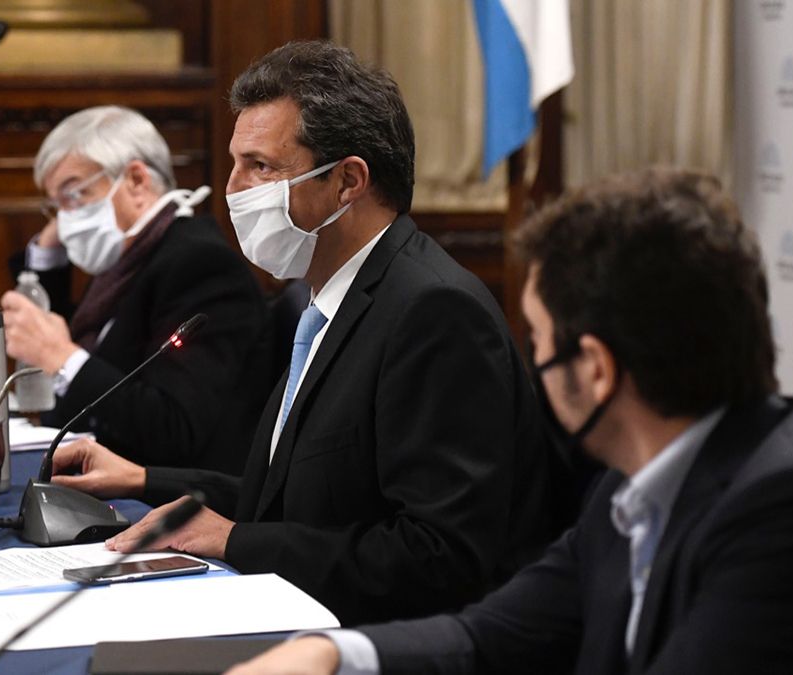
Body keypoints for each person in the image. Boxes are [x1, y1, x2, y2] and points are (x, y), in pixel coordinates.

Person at [229, 167, 793, 674]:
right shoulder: (631, 483)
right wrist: (333, 654)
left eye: (537, 339)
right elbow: (489, 635)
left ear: (595, 369)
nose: (532, 359)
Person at [48, 41, 554, 625]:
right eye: (236, 163)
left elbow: (439, 557)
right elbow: (297, 500)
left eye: (261, 166)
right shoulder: (325, 296)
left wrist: (237, 543)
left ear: (348, 181)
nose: (234, 188)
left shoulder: (433, 312)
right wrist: (143, 479)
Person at [2, 106, 272, 475]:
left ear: (136, 181)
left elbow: (174, 427)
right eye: (57, 206)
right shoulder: (130, 256)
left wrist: (61, 356)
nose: (66, 220)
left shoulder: (199, 264)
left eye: (75, 195)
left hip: (168, 504)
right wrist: (46, 258)